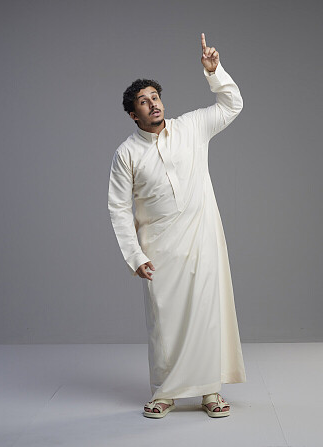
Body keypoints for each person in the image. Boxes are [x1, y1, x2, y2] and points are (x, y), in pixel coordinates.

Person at [107, 33, 247, 418]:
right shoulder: (126, 154)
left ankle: (210, 392)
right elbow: (118, 208)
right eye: (143, 101)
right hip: (159, 249)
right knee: (164, 323)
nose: (153, 104)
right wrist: (134, 255)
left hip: (203, 242)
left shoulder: (192, 127)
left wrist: (214, 72)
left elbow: (232, 104)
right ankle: (165, 393)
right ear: (133, 114)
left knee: (206, 317)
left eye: (155, 97)